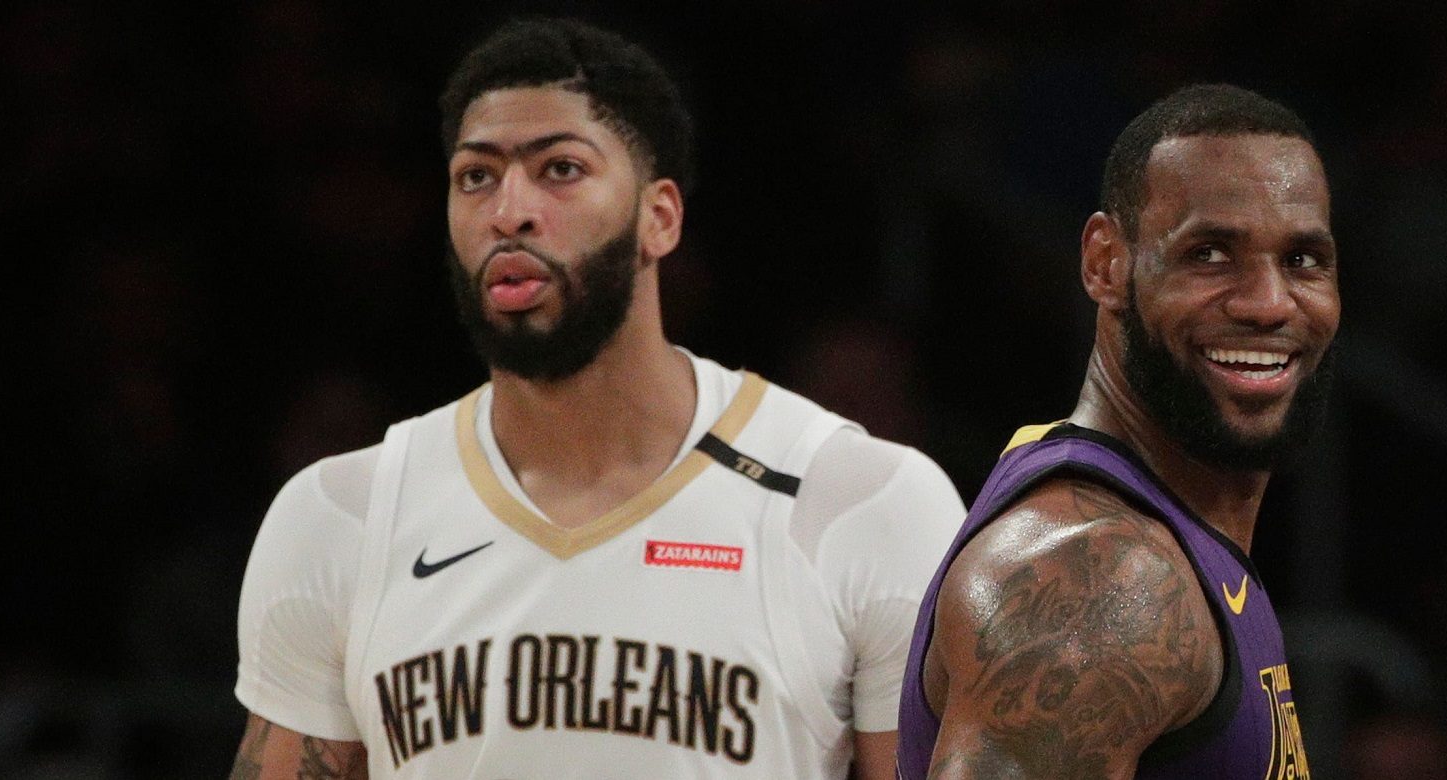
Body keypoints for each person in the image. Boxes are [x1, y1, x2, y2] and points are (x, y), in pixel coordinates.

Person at [229, 18, 966, 779]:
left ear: (660, 218)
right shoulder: (341, 518)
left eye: (560, 169)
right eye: (476, 176)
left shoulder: (857, 501)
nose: (509, 211)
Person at [896, 83, 1337, 779]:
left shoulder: (1161, 545)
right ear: (1106, 263)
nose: (1268, 303)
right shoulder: (1102, 583)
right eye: (1209, 254)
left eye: (1302, 260)